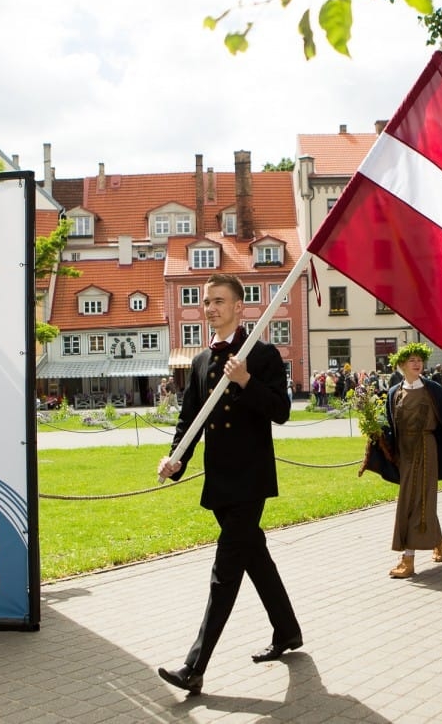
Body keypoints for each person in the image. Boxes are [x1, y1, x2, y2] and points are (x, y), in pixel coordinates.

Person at [156, 274, 301, 696]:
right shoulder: (201, 361)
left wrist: (246, 382)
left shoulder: (263, 355)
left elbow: (281, 411)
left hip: (250, 481)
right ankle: (288, 631)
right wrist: (175, 459)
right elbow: (190, 421)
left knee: (225, 572)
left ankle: (194, 666)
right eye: (206, 302)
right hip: (220, 480)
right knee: (254, 557)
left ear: (241, 307)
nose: (211, 308)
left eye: (220, 301)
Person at [382, 342, 442, 578]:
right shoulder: (394, 392)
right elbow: (389, 426)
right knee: (416, 499)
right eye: (412, 361)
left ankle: (408, 559)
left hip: (426, 450)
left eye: (419, 360)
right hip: (405, 453)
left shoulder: (432, 389)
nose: (417, 364)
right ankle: (438, 540)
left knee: (413, 501)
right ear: (402, 365)